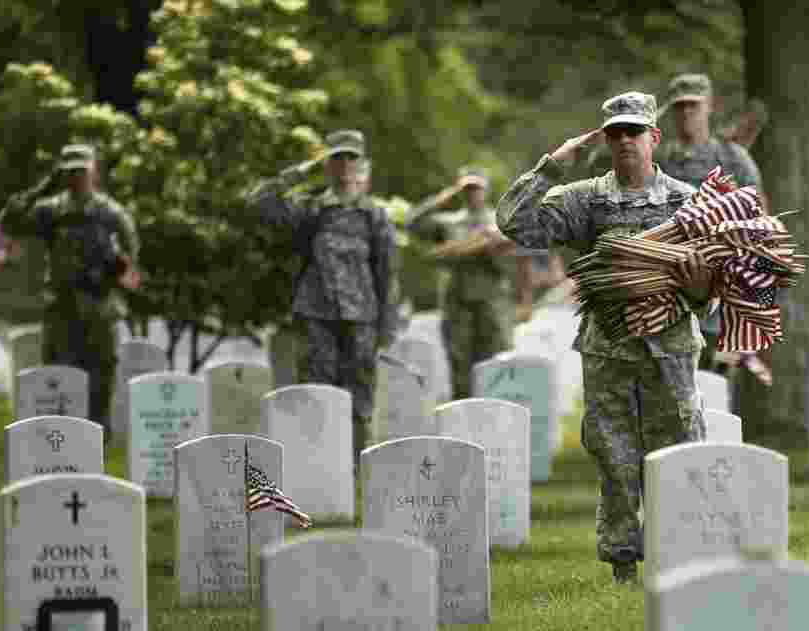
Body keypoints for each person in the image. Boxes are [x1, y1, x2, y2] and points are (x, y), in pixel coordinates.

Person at [496, 92, 712, 584]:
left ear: (653, 137)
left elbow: (714, 286)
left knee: (677, 448)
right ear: (604, 141)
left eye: (633, 131)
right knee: (614, 454)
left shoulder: (687, 200)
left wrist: (700, 290)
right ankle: (622, 563)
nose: (624, 141)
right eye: (614, 133)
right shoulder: (585, 198)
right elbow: (514, 223)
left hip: (670, 347)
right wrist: (553, 165)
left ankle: (678, 556)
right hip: (608, 349)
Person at [245, 130, 399, 466]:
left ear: (361, 165)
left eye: (351, 158)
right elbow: (258, 201)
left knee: (359, 394)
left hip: (361, 317)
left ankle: (355, 467)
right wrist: (302, 169)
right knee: (316, 390)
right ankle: (319, 466)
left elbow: (387, 274)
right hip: (316, 314)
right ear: (326, 164)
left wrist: (387, 327)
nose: (344, 165)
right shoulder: (311, 209)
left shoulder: (374, 216)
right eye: (337, 158)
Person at [0, 144, 140, 434]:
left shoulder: (110, 213)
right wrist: (41, 187)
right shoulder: (51, 210)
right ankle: (61, 437)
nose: (76, 177)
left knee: (101, 372)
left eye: (81, 171)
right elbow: (8, 224)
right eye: (70, 172)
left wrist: (116, 273)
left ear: (93, 171)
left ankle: (98, 435)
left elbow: (131, 257)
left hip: (99, 305)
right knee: (58, 373)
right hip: (62, 306)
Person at [658, 73, 765, 375]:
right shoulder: (658, 162)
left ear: (710, 107)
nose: (687, 113)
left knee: (716, 399)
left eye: (693, 105)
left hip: (720, 305)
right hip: (670, 302)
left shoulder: (734, 161)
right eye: (679, 107)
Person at [405, 166, 532, 399]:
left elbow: (523, 261)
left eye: (476, 188)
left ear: (486, 190)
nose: (472, 193)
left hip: (493, 300)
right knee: (459, 362)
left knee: (496, 360)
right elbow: (412, 223)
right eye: (467, 188)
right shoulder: (448, 223)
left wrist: (525, 300)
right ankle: (462, 418)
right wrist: (444, 197)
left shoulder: (501, 221)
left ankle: (496, 416)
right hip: (457, 301)